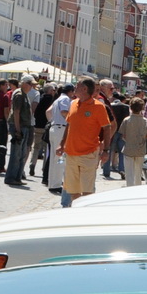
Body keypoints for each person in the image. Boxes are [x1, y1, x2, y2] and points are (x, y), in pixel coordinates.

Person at [59, 77, 113, 206]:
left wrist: (105, 150)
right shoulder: (73, 103)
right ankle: (76, 215)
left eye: (77, 85)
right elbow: (69, 125)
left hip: (88, 154)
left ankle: (84, 216)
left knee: (87, 191)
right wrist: (61, 144)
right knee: (73, 191)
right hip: (71, 153)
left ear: (84, 89)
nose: (74, 88)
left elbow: (107, 128)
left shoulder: (99, 107)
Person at [6, 78, 35, 186]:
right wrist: (17, 130)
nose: (31, 87)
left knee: (22, 153)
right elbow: (16, 112)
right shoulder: (19, 94)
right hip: (19, 126)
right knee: (16, 154)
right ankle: (11, 177)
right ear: (23, 83)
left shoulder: (24, 94)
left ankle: (17, 177)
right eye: (29, 84)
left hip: (25, 126)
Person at [45, 83, 73, 192]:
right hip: (61, 129)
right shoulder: (65, 99)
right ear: (70, 91)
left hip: (56, 128)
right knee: (60, 158)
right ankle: (56, 184)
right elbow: (64, 112)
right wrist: (73, 119)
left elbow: (49, 112)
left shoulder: (58, 99)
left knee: (54, 158)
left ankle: (53, 183)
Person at [120, 98, 147, 186]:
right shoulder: (145, 121)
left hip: (128, 149)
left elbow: (123, 134)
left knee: (129, 173)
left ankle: (129, 187)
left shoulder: (126, 120)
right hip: (140, 150)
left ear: (130, 107)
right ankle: (138, 188)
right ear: (142, 108)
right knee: (138, 172)